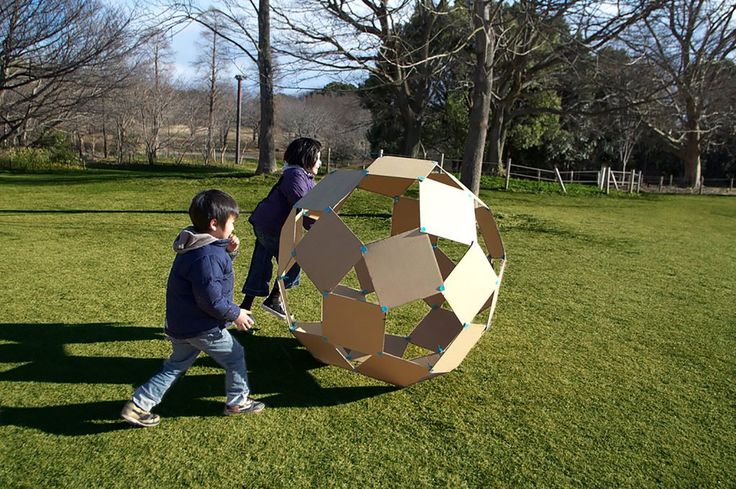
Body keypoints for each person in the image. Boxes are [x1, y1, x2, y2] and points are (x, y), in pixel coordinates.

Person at [121, 189, 263, 428]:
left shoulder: (197, 243)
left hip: (182, 324)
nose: (233, 228)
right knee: (235, 356)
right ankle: (238, 402)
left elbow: (213, 273)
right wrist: (236, 313)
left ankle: (139, 404)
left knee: (176, 365)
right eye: (231, 223)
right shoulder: (206, 256)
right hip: (202, 326)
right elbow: (211, 299)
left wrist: (229, 251)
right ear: (214, 223)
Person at [240, 137, 322, 319]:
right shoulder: (295, 176)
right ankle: (274, 298)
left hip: (266, 224)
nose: (320, 162)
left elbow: (315, 205)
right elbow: (304, 208)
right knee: (296, 258)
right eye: (318, 157)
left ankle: (245, 307)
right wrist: (319, 229)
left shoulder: (304, 176)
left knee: (260, 265)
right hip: (271, 227)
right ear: (307, 157)